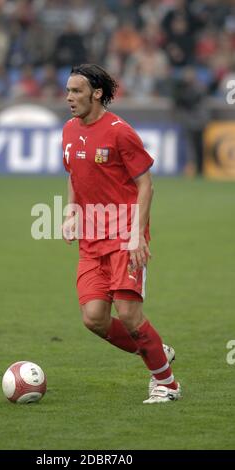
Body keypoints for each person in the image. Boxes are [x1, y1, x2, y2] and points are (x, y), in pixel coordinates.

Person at [62, 64, 181, 404]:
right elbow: (74, 174)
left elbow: (146, 185)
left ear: (97, 93)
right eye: (68, 91)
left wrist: (137, 235)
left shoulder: (119, 132)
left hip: (124, 237)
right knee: (94, 319)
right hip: (91, 241)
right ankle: (157, 350)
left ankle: (166, 384)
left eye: (76, 91)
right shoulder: (69, 130)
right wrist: (71, 210)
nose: (69, 98)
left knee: (129, 315)